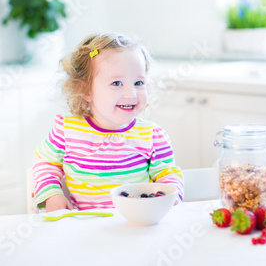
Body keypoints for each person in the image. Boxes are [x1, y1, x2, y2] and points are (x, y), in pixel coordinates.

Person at [32, 33, 184, 212]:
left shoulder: (152, 136)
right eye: (117, 83)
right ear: (85, 90)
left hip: (136, 225)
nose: (131, 94)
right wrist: (52, 194)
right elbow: (45, 163)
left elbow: (168, 173)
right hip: (84, 227)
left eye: (138, 82)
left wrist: (169, 195)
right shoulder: (67, 132)